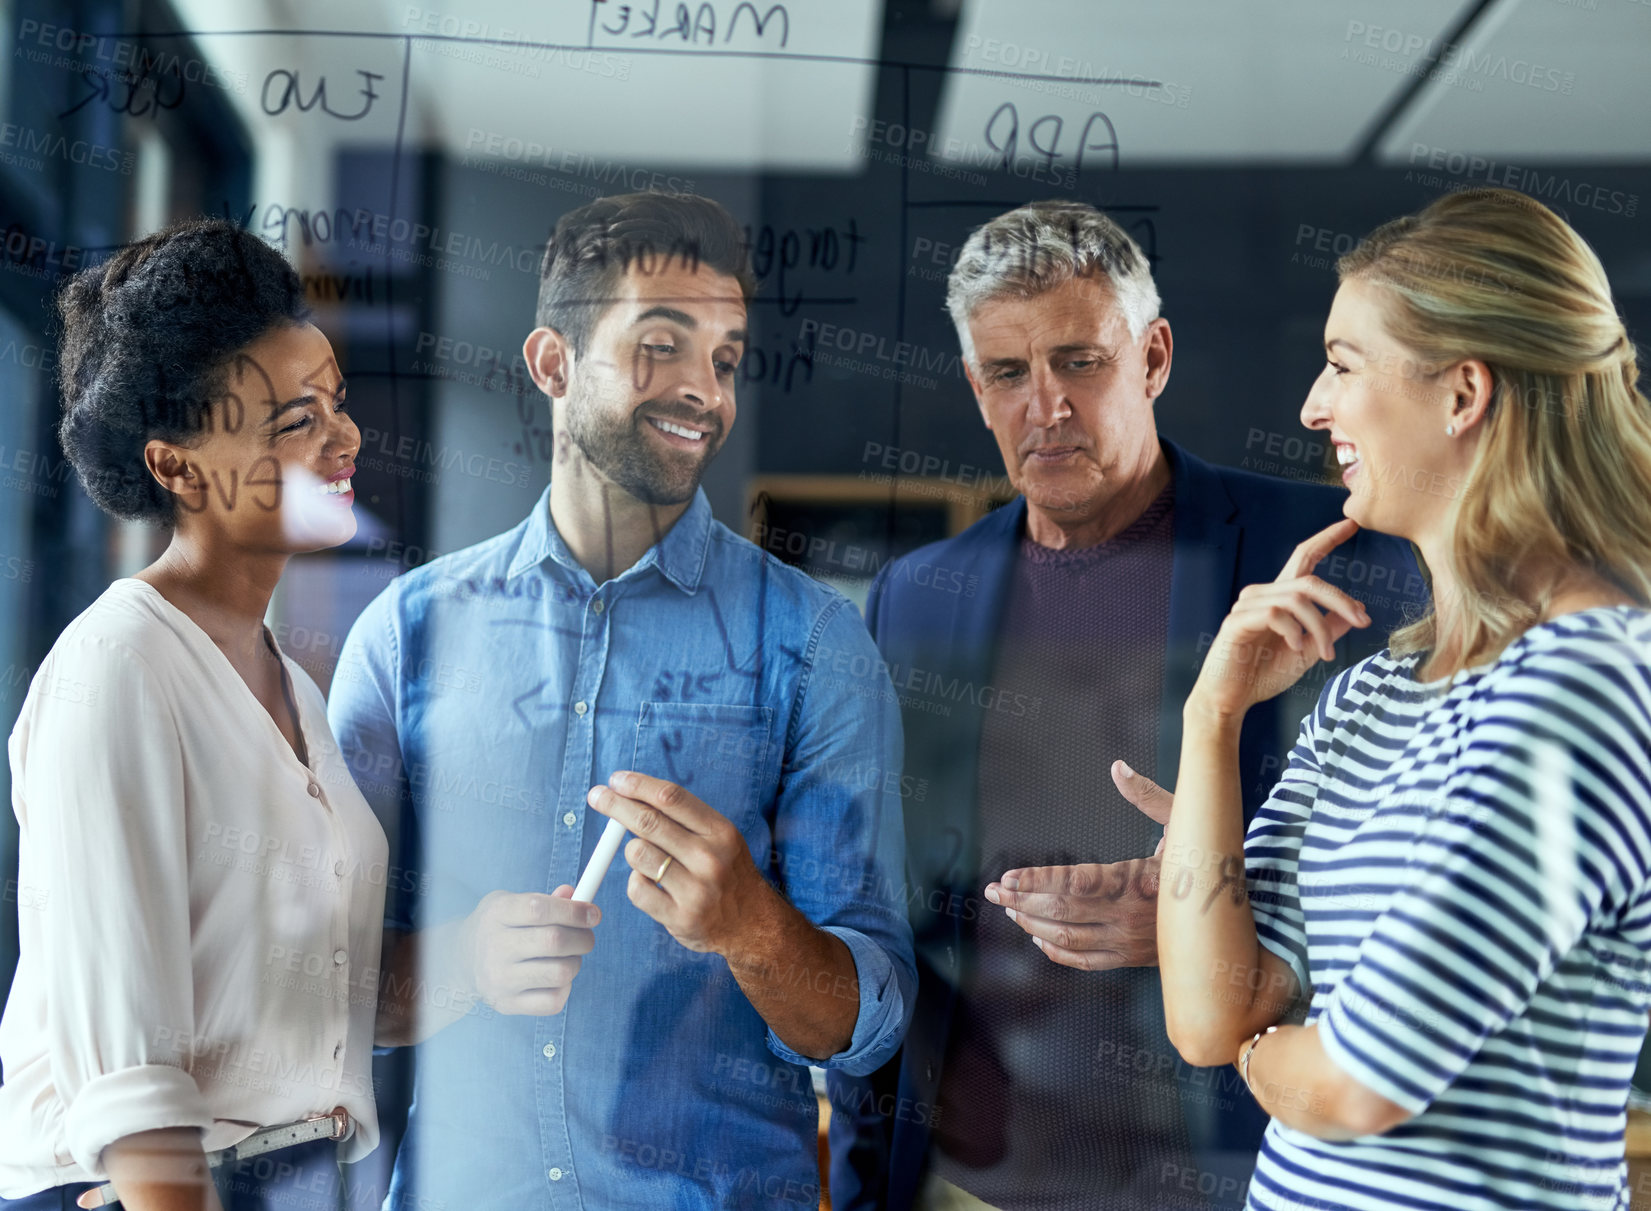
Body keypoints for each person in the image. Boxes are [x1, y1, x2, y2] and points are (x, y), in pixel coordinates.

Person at [827, 201, 1427, 1211]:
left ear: (1152, 358)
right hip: (974, 1173)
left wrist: (1213, 919)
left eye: (1080, 361)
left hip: (1235, 1164)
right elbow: (883, 914)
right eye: (1009, 374)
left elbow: (1425, 872)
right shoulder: (913, 595)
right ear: (977, 389)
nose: (1046, 406)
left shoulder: (1338, 549)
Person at [327, 191, 915, 1210]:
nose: (703, 389)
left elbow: (865, 1019)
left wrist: (750, 926)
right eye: (660, 345)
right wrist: (464, 958)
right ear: (552, 362)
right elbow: (320, 983)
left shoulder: (815, 645)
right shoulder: (406, 632)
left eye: (726, 358)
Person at [1155, 187, 1651, 1210]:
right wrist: (1214, 715)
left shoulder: (1587, 686)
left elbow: (1355, 1083)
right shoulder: (1380, 689)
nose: (1311, 405)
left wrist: (1266, 1046)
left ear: (1461, 392)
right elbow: (1209, 1012)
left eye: (1342, 364)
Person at [0, 219, 384, 1210]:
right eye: (295, 422)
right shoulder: (118, 667)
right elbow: (135, 1088)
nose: (344, 438)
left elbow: (298, 994)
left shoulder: (289, 686)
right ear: (176, 466)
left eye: (335, 402)